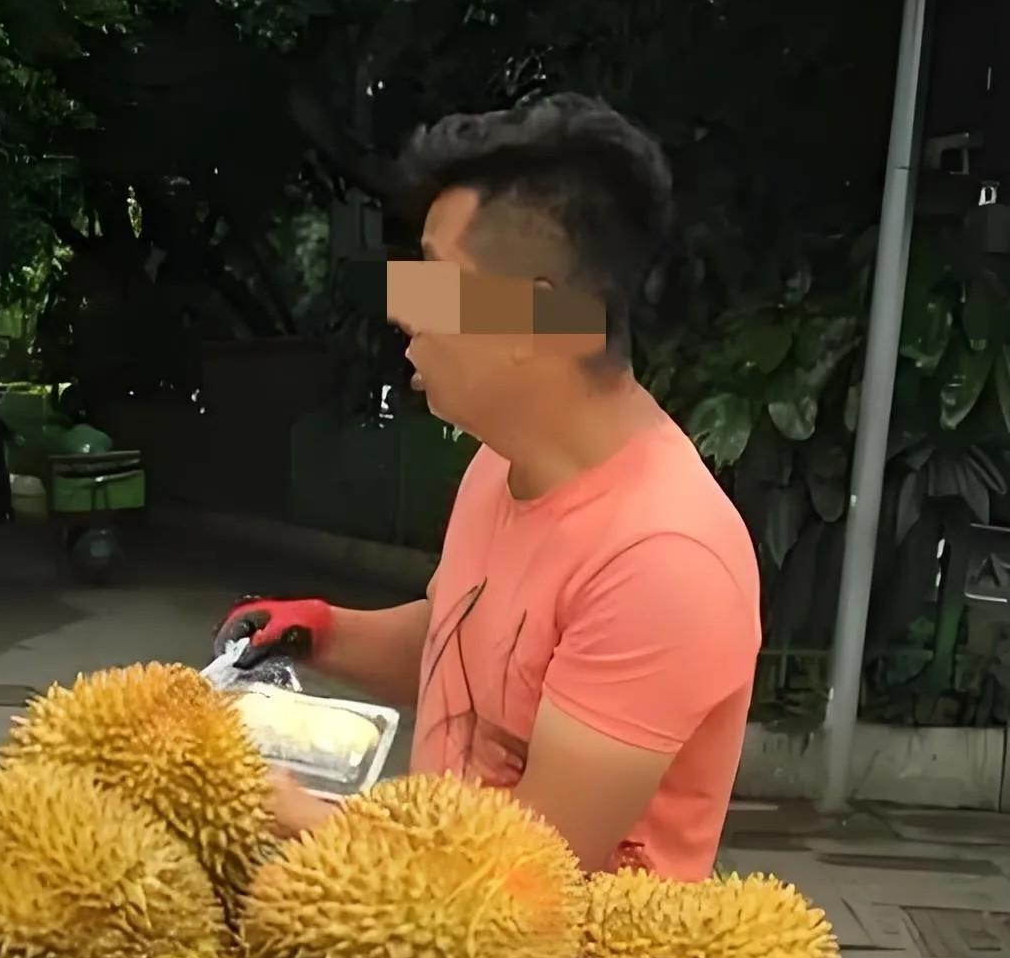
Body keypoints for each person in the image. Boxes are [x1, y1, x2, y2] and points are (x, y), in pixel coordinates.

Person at [223, 96, 759, 880]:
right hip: (423, 946)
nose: (402, 310)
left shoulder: (663, 560)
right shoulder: (496, 468)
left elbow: (522, 882)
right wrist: (323, 630)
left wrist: (284, 810)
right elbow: (463, 646)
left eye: (437, 280)